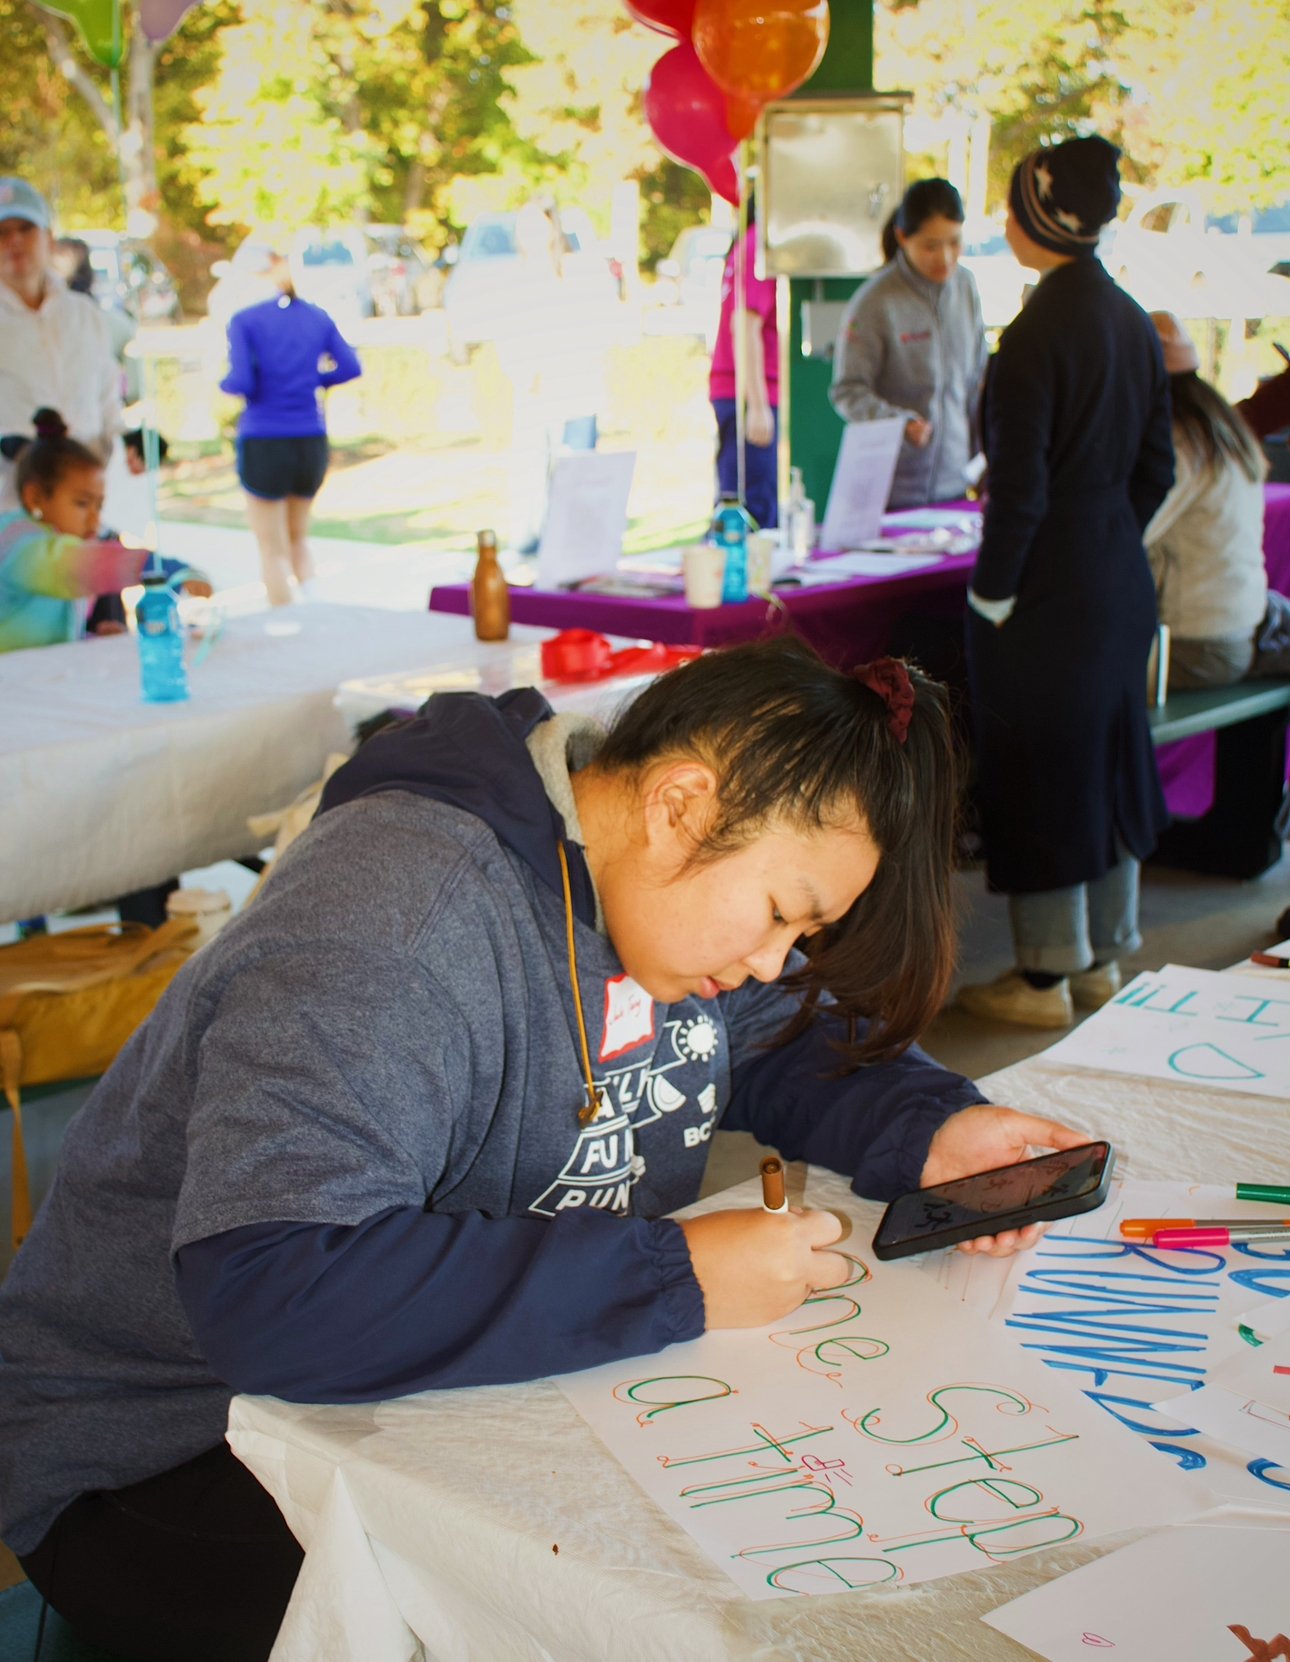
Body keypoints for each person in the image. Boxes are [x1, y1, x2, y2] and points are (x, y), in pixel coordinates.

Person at [0, 634, 1087, 1661]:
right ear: (678, 805)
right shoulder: (396, 923)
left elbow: (780, 1039)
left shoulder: (647, 897)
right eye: (777, 914)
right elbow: (273, 1289)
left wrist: (931, 1126)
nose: (774, 961)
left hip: (413, 1396)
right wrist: (673, 1277)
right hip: (161, 1450)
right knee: (595, 1614)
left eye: (804, 934)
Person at [957, 135, 1175, 1030]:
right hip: (1117, 574)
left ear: (1041, 218)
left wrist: (991, 595)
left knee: (1045, 766)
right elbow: (1158, 468)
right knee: (1109, 763)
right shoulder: (1131, 318)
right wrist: (1106, 532)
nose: (1005, 222)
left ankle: (1044, 979)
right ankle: (1103, 960)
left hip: (1049, 587)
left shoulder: (1034, 333)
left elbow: (1020, 492)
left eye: (1013, 208)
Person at [1144, 312, 1289, 689]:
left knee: (1062, 673)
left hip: (1197, 645)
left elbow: (1126, 533)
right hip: (1236, 627)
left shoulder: (1177, 442)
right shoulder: (1220, 425)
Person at [830, 179, 988, 511]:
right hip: (893, 491)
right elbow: (848, 390)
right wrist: (898, 423)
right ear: (903, 237)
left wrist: (984, 458)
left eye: (954, 242)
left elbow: (977, 380)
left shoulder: (966, 287)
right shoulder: (875, 301)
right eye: (931, 246)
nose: (945, 257)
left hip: (957, 485)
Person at [219, 243, 361, 606]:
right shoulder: (315, 316)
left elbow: (242, 382)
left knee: (272, 549)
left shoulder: (245, 320)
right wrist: (313, 381)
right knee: (299, 540)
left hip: (265, 441)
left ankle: (286, 621)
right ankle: (315, 610)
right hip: (309, 442)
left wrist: (221, 384)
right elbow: (350, 366)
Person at [0, 408, 206, 653]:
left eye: (99, 506)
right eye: (82, 503)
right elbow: (79, 567)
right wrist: (156, 567)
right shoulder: (19, 543)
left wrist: (89, 639)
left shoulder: (65, 543)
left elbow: (44, 637)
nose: (95, 518)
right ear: (35, 497)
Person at [0, 179, 122, 513]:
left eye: (26, 228)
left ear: (49, 238)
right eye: (2, 232)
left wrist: (128, 442)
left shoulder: (84, 314)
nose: (14, 241)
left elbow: (108, 400)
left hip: (84, 510)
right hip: (10, 510)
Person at [500, 199, 613, 552]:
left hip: (576, 393)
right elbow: (510, 339)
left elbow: (596, 326)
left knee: (576, 476)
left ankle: (574, 548)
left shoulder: (575, 271)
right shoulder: (517, 279)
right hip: (536, 397)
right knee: (535, 475)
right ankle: (533, 543)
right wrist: (526, 374)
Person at [709, 195, 779, 529]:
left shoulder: (751, 243)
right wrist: (758, 404)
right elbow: (745, 327)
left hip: (745, 392)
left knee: (745, 509)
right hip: (748, 395)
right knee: (748, 519)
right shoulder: (757, 246)